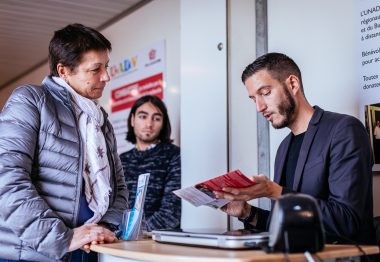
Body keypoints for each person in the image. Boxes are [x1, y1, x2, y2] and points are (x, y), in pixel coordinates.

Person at [215, 52, 375, 245]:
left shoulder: (344, 130)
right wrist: (247, 212)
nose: (259, 107)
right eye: (253, 99)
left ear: (293, 84)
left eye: (265, 93)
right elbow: (287, 226)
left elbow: (346, 221)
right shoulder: (284, 148)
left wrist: (276, 192)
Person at [0, 23, 128, 261]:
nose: (107, 76)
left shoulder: (101, 121)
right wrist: (62, 238)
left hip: (88, 249)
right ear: (64, 71)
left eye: (106, 66)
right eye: (95, 69)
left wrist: (106, 229)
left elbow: (119, 187)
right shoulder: (31, 101)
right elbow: (7, 179)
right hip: (33, 253)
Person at [120, 95, 181, 231]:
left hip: (158, 242)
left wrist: (134, 232)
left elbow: (171, 212)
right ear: (132, 120)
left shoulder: (174, 155)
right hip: (119, 241)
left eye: (157, 118)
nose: (149, 124)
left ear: (163, 124)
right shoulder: (121, 159)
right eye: (143, 116)